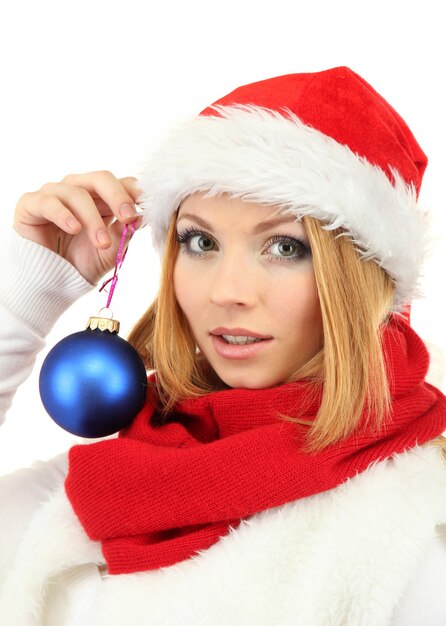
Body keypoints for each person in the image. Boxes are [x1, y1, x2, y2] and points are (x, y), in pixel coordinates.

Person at [1, 66, 446, 626]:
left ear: (357, 278)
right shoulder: (124, 474)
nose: (226, 292)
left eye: (286, 247)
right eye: (201, 241)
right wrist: (26, 295)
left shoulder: (417, 520)